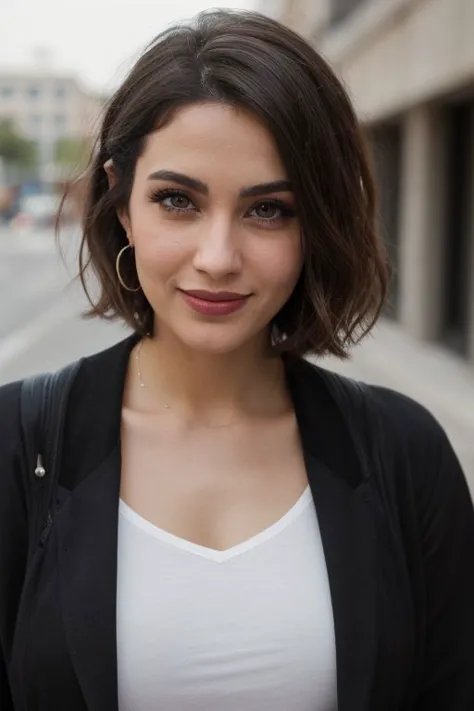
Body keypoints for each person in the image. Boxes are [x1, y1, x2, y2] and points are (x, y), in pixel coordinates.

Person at [1, 9, 474, 711]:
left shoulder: (407, 456)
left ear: (318, 222)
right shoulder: (17, 443)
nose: (218, 258)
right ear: (123, 204)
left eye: (268, 210)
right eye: (177, 201)